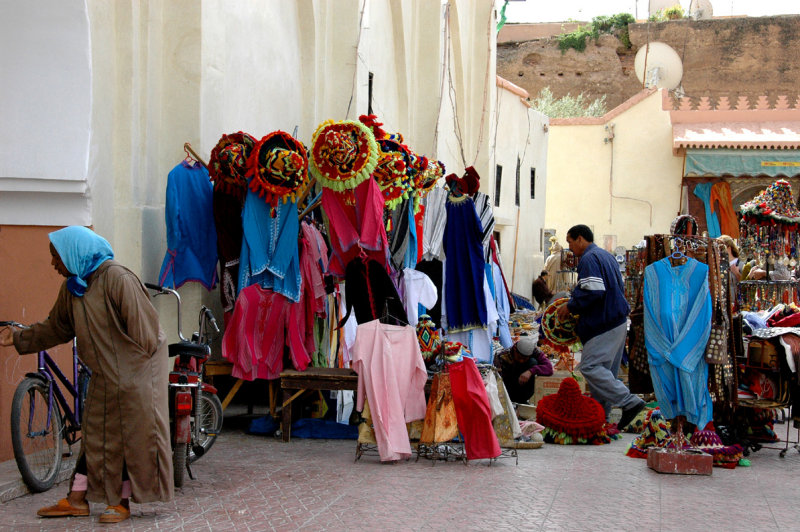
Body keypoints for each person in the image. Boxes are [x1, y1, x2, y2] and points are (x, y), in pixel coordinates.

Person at [0, 226, 172, 523]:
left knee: (124, 437)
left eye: (57, 257)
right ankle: (77, 499)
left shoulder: (118, 279)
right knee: (95, 434)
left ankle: (121, 502)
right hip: (106, 374)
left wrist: (127, 375)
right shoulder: (74, 287)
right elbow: (56, 328)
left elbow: (146, 336)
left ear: (74, 253)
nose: (53, 264)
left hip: (137, 374)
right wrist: (18, 338)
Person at [556, 224, 644, 430]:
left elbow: (594, 291)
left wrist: (571, 305)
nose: (569, 248)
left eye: (569, 242)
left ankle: (629, 401)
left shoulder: (588, 259)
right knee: (605, 373)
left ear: (580, 239)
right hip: (616, 320)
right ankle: (599, 418)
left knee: (590, 367)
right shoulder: (606, 256)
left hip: (604, 323)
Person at [494, 335, 554, 404]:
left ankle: (523, 399)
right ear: (515, 350)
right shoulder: (502, 355)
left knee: (533, 362)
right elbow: (498, 380)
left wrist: (530, 371)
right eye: (519, 357)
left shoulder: (534, 350)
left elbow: (549, 368)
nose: (521, 361)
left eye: (525, 358)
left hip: (524, 385)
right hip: (508, 385)